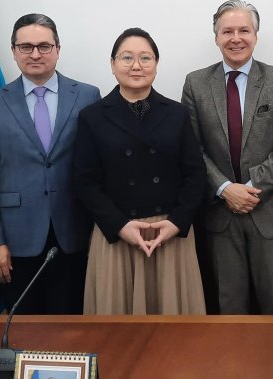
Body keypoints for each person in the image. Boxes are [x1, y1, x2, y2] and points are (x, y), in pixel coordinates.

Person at [0, 13, 100, 314]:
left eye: (44, 45)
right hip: (15, 242)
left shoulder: (87, 96)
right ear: (13, 51)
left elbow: (99, 167)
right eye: (26, 47)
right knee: (25, 332)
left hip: (76, 236)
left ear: (58, 49)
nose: (36, 54)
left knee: (73, 330)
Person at [181, 0, 273, 314]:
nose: (236, 38)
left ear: (256, 35)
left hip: (270, 210)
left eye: (244, 30)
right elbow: (191, 147)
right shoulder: (196, 83)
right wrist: (225, 189)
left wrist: (250, 188)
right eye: (227, 31)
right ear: (216, 38)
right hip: (220, 215)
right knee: (229, 308)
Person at [73, 28, 207, 315]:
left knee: (173, 333)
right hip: (117, 234)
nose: (137, 65)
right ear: (112, 64)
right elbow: (85, 182)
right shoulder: (92, 116)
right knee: (117, 335)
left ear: (156, 64)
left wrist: (177, 222)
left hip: (169, 233)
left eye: (146, 57)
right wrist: (120, 226)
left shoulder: (177, 113)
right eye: (127, 57)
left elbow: (195, 175)